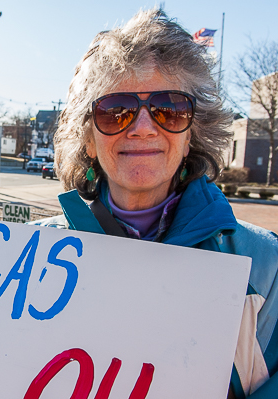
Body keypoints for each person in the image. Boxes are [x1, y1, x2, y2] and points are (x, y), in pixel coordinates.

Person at [33, 9, 278, 398]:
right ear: (88, 139)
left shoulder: (266, 269)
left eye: (169, 109)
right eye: (115, 111)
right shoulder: (26, 255)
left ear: (192, 135)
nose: (143, 126)